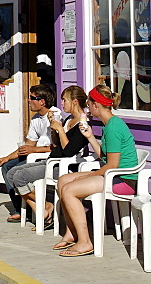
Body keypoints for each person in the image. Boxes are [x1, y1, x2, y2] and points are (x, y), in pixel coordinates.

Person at [54, 85, 139, 257]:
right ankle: (72, 232)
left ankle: (85, 242)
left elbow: (112, 165)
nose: (88, 108)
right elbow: (105, 157)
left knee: (69, 190)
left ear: (96, 105)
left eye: (89, 104)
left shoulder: (114, 127)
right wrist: (91, 137)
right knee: (63, 180)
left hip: (123, 180)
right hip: (112, 174)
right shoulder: (109, 125)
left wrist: (88, 176)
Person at [11, 86, 89, 228]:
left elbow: (69, 151)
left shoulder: (82, 125)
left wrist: (60, 129)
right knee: (11, 174)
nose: (62, 104)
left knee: (19, 176)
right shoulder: (68, 120)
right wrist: (54, 130)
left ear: (75, 102)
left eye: (65, 100)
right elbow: (57, 144)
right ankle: (44, 209)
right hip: (52, 160)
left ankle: (44, 210)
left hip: (64, 166)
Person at [0, 85, 63, 222]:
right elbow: (29, 145)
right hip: (36, 156)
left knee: (16, 172)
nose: (28, 100)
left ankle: (40, 208)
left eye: (32, 98)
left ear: (42, 101)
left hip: (49, 159)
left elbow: (59, 147)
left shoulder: (56, 116)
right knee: (7, 166)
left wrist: (34, 150)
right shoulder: (36, 119)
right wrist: (7, 157)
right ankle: (20, 209)